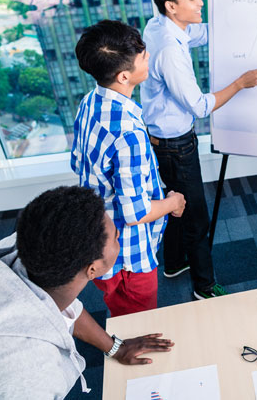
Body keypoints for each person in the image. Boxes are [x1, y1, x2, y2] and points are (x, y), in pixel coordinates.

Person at [0, 186, 175, 399]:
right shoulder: (33, 373)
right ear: (93, 269)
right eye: (115, 238)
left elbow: (61, 308)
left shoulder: (21, 248)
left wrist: (116, 348)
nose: (119, 237)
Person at [142, 0, 257, 300]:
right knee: (196, 217)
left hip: (160, 139)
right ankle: (203, 287)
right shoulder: (169, 51)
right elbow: (199, 106)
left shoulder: (158, 25)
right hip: (174, 144)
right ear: (172, 6)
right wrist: (240, 83)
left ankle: (173, 262)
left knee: (171, 202)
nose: (201, 3)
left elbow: (205, 32)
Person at [71, 19, 185, 316]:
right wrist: (173, 201)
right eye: (143, 55)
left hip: (97, 234)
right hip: (129, 256)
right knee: (138, 323)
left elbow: (77, 162)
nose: (148, 56)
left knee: (117, 308)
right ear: (124, 76)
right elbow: (136, 214)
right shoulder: (129, 134)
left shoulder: (90, 101)